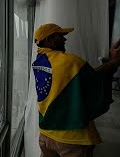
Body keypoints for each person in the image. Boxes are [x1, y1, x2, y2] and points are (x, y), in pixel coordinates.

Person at [32, 23, 120, 157]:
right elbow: (94, 78)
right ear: (49, 39)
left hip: (46, 135)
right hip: (71, 138)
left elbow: (79, 76)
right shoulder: (71, 61)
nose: (65, 39)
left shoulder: (39, 62)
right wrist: (114, 62)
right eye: (60, 36)